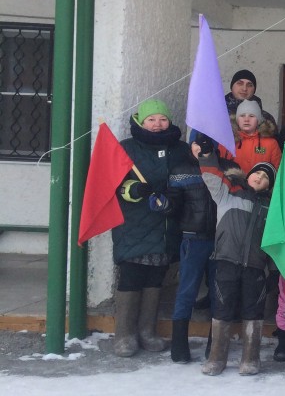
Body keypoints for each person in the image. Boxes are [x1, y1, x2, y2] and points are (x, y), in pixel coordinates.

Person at [110, 99, 191, 358]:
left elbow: (189, 180)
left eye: (163, 119)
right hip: (134, 224)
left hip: (165, 224)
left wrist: (175, 198)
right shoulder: (126, 148)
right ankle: (124, 334)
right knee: (131, 276)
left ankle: (147, 331)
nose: (157, 124)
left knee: (156, 277)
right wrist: (135, 190)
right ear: (141, 122)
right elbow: (114, 184)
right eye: (151, 120)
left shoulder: (180, 149)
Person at [197, 147, 274, 376]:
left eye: (265, 177)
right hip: (226, 261)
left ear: (269, 185)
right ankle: (216, 358)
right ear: (248, 175)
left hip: (255, 266)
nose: (259, 178)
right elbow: (211, 177)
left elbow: (277, 240)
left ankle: (251, 358)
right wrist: (207, 156)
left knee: (253, 310)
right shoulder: (228, 194)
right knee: (222, 307)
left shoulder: (272, 207)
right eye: (257, 173)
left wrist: (273, 270)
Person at [165, 133, 219, 363]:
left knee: (219, 291)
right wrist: (165, 204)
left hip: (221, 239)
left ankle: (215, 343)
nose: (201, 148)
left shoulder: (225, 168)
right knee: (187, 290)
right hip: (193, 238)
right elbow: (174, 204)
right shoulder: (181, 170)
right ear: (191, 145)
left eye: (207, 144)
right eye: (197, 143)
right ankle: (179, 345)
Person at [230, 99, 282, 173]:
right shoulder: (228, 141)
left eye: (251, 116)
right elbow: (220, 168)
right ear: (237, 120)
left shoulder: (271, 143)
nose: (246, 119)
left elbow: (278, 171)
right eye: (242, 115)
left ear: (258, 120)